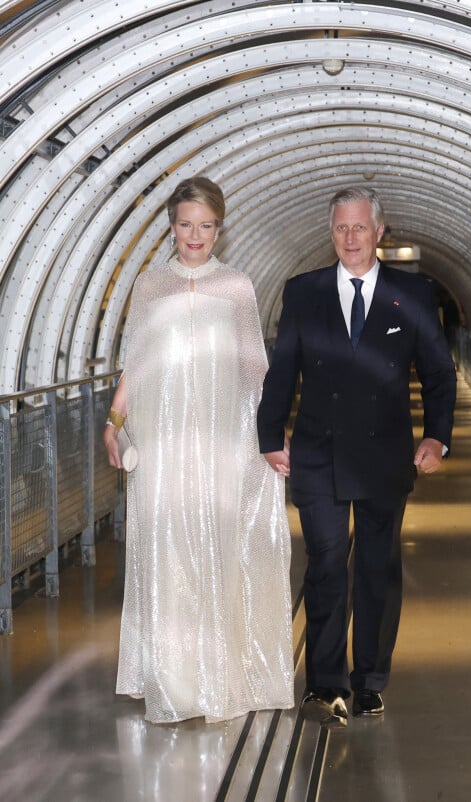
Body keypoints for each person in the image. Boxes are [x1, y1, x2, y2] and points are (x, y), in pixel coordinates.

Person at [257, 186, 456, 728]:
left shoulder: (413, 294)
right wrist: (270, 435)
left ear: (379, 232)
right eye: (341, 228)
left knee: (376, 568)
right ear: (331, 233)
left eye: (360, 227)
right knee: (325, 566)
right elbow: (283, 370)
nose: (350, 237)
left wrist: (438, 436)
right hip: (318, 452)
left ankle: (369, 680)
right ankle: (325, 685)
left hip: (386, 453)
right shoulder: (303, 291)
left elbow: (438, 373)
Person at [103, 176, 294, 724]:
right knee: (165, 548)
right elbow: (135, 366)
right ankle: (172, 678)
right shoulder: (149, 287)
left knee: (216, 545)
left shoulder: (235, 286)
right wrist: (114, 423)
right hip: (161, 444)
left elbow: (255, 369)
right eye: (186, 225)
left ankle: (215, 676)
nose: (196, 236)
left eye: (206, 226)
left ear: (219, 228)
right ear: (171, 225)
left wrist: (270, 437)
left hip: (218, 444)